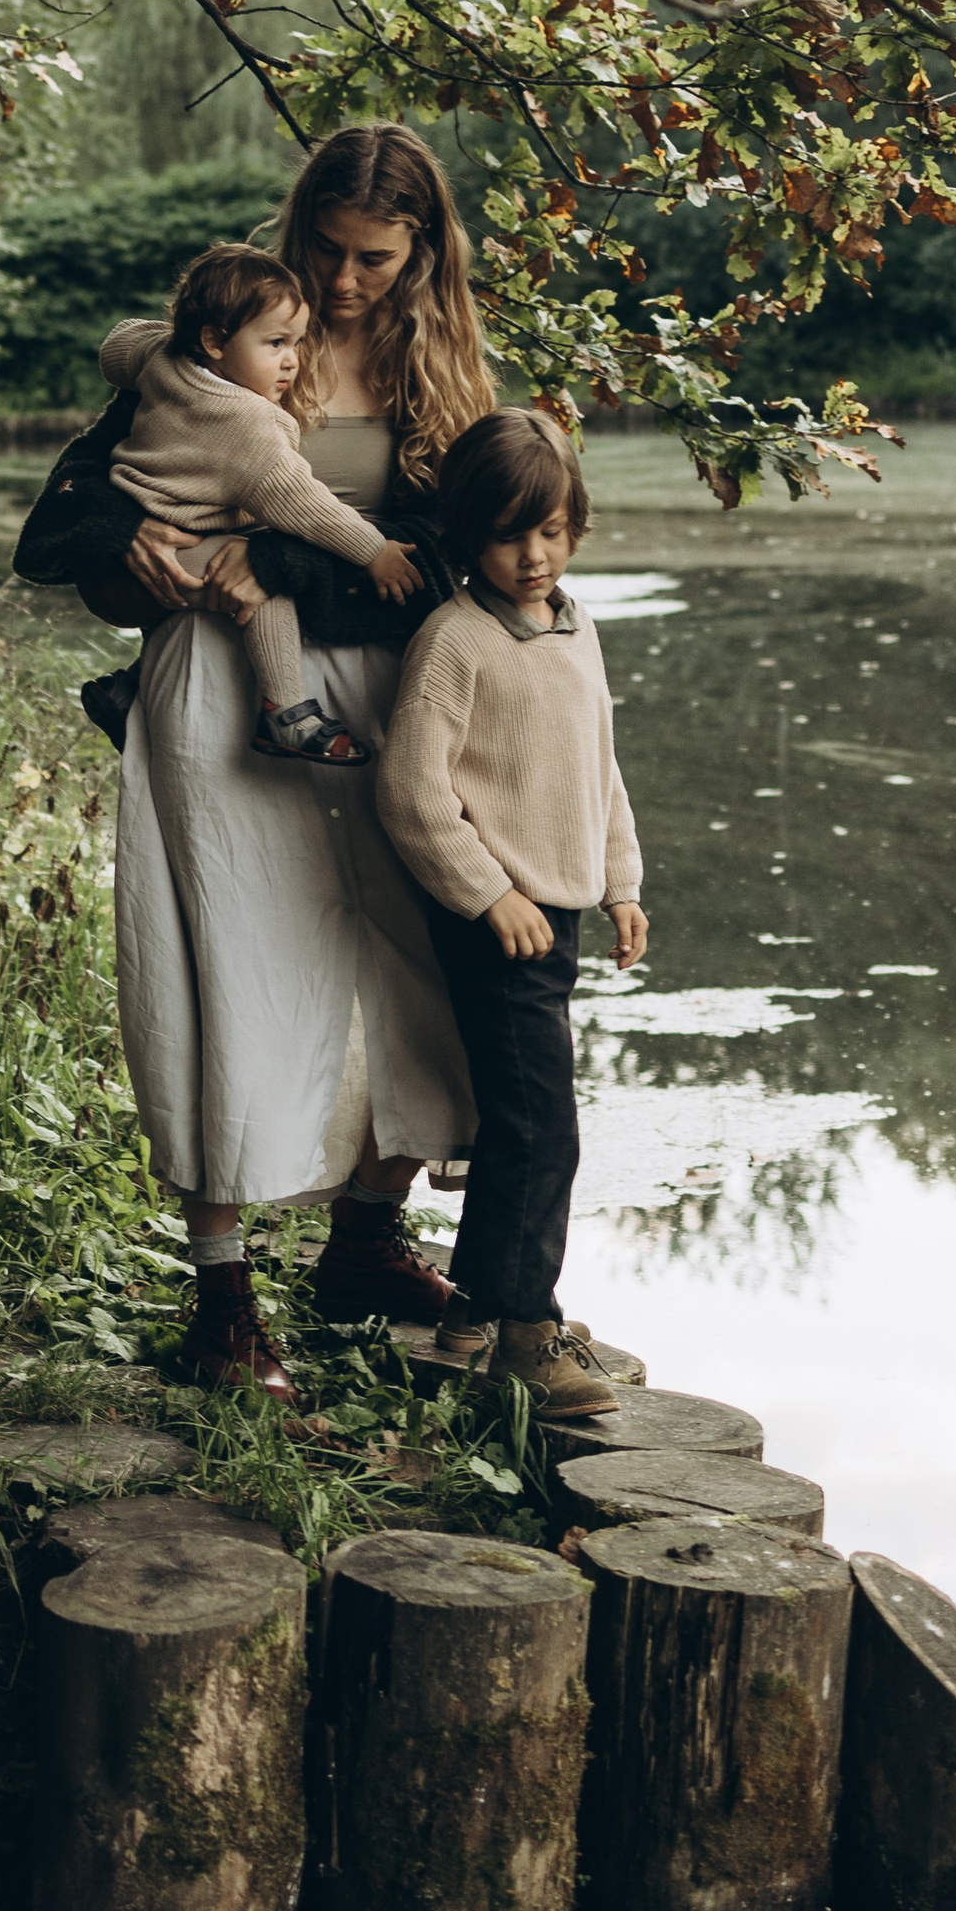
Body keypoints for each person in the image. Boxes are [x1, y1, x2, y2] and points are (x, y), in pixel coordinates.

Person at [14, 124, 496, 1399]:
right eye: (330, 253)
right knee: (228, 958)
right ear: (299, 234)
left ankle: (366, 1243)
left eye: (377, 261)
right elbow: (84, 500)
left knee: (411, 954)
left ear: (423, 251)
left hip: (384, 692)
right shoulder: (224, 335)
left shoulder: (442, 368)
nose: (347, 285)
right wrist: (128, 549)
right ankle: (222, 1298)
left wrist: (277, 559)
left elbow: (469, 547)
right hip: (216, 690)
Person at [377, 406, 646, 1426]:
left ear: (576, 524)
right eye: (506, 534)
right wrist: (490, 891)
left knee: (520, 1127)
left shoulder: (576, 626)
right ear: (464, 535)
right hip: (496, 918)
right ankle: (525, 1338)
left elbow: (598, 772)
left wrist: (619, 883)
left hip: (559, 908)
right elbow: (409, 793)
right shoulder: (454, 642)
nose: (532, 555)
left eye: (550, 529)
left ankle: (478, 1315)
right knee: (542, 1131)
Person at [95, 241, 426, 767]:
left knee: (244, 560)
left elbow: (118, 348)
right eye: (275, 343)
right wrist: (374, 551)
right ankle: (286, 714)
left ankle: (127, 691)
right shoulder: (249, 426)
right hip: (180, 546)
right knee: (265, 586)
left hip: (137, 528)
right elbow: (307, 504)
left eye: (296, 342)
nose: (292, 360)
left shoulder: (164, 359)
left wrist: (161, 340)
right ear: (215, 341)